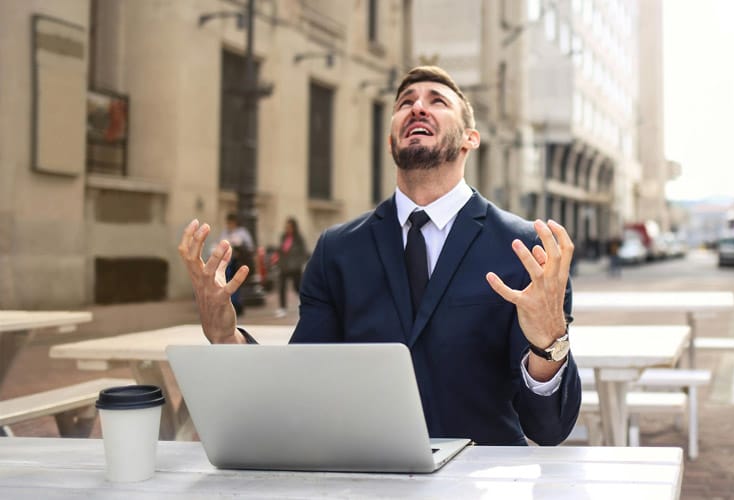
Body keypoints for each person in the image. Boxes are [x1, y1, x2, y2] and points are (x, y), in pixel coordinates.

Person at [177, 66, 582, 446]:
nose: (417, 106)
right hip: (366, 477)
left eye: (437, 101)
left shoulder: (526, 250)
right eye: (405, 102)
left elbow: (547, 428)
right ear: (391, 141)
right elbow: (299, 386)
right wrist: (225, 337)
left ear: (469, 139)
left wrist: (549, 342)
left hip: (480, 481)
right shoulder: (337, 250)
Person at [218, 213, 255, 316]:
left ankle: (237, 305)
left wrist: (239, 245)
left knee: (236, 283)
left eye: (231, 222)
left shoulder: (242, 233)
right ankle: (229, 304)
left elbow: (249, 247)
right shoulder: (225, 233)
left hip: (237, 262)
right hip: (227, 263)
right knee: (227, 282)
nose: (229, 224)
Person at [274, 217, 309, 318]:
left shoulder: (299, 238)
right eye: (286, 226)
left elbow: (304, 253)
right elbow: (280, 250)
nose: (287, 228)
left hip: (295, 268)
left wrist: (299, 263)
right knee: (281, 287)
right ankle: (282, 308)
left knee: (297, 288)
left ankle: (305, 305)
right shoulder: (283, 237)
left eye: (289, 226)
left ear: (294, 227)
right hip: (283, 266)